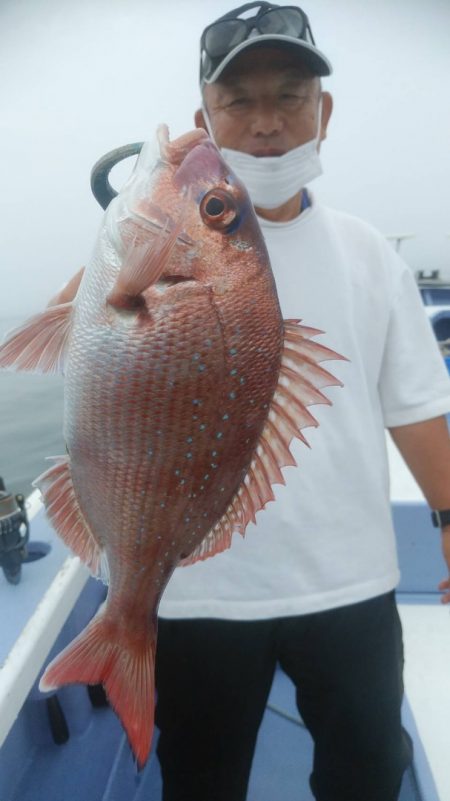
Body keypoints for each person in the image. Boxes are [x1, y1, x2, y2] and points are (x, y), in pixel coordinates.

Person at [48, 4, 450, 799]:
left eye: (290, 96)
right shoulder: (133, 255)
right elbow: (80, 348)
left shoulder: (369, 253)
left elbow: (414, 404)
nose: (267, 123)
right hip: (196, 588)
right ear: (205, 120)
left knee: (368, 766)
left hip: (351, 580)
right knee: (202, 775)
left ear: (323, 112)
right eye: (240, 101)